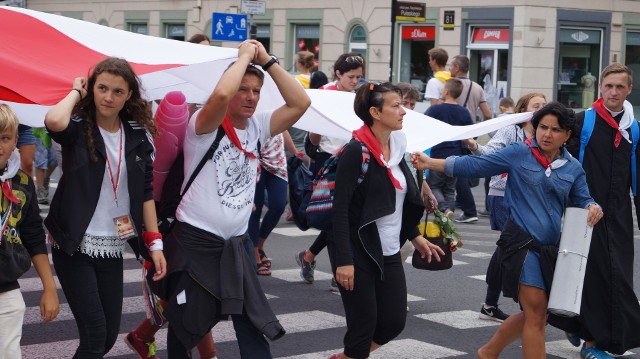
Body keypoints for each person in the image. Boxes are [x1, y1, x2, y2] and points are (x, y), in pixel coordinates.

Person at [412, 102, 603, 358]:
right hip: (520, 245)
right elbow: (476, 166)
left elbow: (583, 198)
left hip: (551, 249)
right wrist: (431, 162)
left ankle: (489, 351)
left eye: (555, 130)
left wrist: (592, 206)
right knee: (536, 314)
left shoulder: (573, 168)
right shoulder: (518, 153)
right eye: (542, 127)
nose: (547, 134)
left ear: (567, 135)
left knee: (539, 314)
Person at [160, 39, 310, 358]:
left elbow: (300, 104)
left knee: (252, 322)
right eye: (244, 89)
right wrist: (242, 58)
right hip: (196, 242)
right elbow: (221, 95)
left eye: (256, 91)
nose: (251, 97)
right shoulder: (204, 124)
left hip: (236, 244)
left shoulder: (256, 126)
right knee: (186, 325)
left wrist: (267, 61)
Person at [44, 57, 167, 358]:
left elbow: (146, 192)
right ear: (92, 89)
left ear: (128, 96)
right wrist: (76, 92)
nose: (108, 97)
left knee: (108, 335)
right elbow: (53, 122)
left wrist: (156, 244)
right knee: (95, 332)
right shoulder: (77, 127)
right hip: (74, 243)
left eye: (117, 91)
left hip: (112, 243)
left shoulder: (138, 134)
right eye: (102, 88)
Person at [328, 82, 444, 359]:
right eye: (395, 105)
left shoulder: (397, 145)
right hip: (359, 251)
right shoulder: (356, 151)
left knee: (393, 322)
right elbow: (340, 210)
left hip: (389, 249)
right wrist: (344, 261)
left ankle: (347, 357)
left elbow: (399, 201)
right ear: (375, 113)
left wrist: (415, 236)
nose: (403, 111)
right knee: (363, 327)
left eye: (402, 104)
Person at [552, 63, 640, 358]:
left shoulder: (633, 127)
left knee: (619, 277)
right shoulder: (581, 121)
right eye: (609, 86)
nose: (613, 92)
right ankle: (592, 343)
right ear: (600, 88)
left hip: (619, 216)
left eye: (620, 87)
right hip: (585, 212)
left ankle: (578, 325)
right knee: (592, 276)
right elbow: (557, 158)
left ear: (629, 90)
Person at [464, 93, 547, 323]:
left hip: (529, 198)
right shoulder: (512, 130)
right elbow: (492, 152)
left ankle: (491, 304)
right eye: (536, 105)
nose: (540, 109)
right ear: (524, 109)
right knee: (514, 247)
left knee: (508, 249)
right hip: (503, 196)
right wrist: (474, 147)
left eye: (543, 105)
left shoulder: (545, 133)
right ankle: (523, 305)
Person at [296, 52, 365, 287]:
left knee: (344, 215)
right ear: (338, 73)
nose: (355, 82)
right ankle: (336, 268)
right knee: (335, 215)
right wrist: (319, 126)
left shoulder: (358, 96)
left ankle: (310, 256)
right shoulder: (324, 93)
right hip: (327, 158)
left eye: (358, 77)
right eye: (351, 77)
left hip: (352, 155)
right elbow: (313, 136)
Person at [0, 104, 60, 358]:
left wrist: (49, 287)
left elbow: (34, 237)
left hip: (6, 288)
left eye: (4, 138)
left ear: (16, 140)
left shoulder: (22, 184)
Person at [448, 54, 493, 223]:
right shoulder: (477, 87)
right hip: (470, 132)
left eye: (451, 65)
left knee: (456, 170)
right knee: (462, 168)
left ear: (458, 68)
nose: (449, 68)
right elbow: (487, 113)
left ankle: (469, 210)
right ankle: (461, 204)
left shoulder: (451, 86)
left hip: (453, 132)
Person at [249, 129, 299, 276]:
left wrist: (295, 152)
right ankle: (255, 255)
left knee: (278, 205)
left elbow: (283, 127)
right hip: (255, 156)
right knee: (255, 210)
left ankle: (260, 246)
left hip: (277, 159)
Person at [425, 78, 474, 217]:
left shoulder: (435, 109)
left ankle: (445, 210)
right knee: (450, 189)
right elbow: (470, 133)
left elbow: (425, 126)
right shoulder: (464, 112)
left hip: (438, 154)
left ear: (446, 91)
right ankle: (448, 216)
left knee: (434, 185)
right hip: (455, 155)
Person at [32, 128, 58, 205]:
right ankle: (40, 190)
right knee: (40, 160)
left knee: (54, 160)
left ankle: (45, 180)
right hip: (39, 129)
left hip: (53, 127)